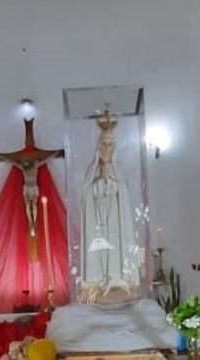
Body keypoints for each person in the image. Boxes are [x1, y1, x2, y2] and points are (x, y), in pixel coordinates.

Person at [79, 106, 140, 304]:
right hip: (97, 222)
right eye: (103, 145)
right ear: (98, 147)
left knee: (115, 249)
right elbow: (89, 192)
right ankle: (97, 281)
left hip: (114, 223)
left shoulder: (119, 171)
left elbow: (120, 192)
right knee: (99, 249)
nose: (106, 149)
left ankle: (116, 280)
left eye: (109, 145)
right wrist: (99, 181)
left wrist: (110, 180)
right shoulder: (91, 171)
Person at [0, 148, 64, 238]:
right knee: (27, 205)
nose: (26, 164)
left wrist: (56, 153)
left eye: (27, 162)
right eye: (24, 163)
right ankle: (30, 221)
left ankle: (33, 221)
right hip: (27, 188)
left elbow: (46, 159)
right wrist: (1, 157)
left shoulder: (35, 166)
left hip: (33, 188)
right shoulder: (23, 168)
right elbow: (12, 162)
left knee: (33, 204)